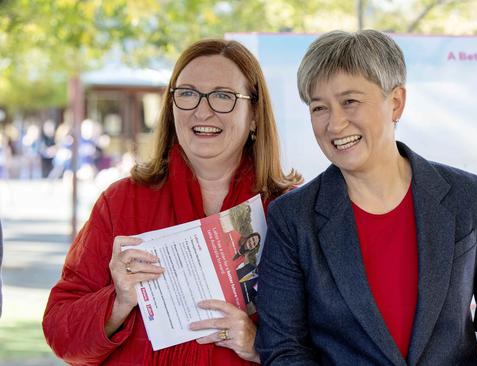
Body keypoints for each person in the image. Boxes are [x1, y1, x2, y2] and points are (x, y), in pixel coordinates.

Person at [255, 30, 477, 365]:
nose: (334, 124)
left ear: (396, 102)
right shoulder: (292, 218)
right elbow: (283, 347)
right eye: (319, 108)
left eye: (350, 102)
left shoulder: (467, 196)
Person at [43, 38, 301, 365]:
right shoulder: (123, 202)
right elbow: (60, 332)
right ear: (171, 107)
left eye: (223, 96)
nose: (202, 110)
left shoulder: (289, 213)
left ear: (254, 114)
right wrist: (117, 303)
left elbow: (329, 343)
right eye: (188, 94)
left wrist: (258, 345)